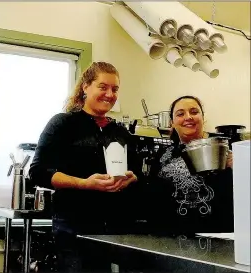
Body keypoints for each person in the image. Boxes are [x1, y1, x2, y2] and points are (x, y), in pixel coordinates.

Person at [29, 62, 142, 272]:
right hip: (73, 226)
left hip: (113, 228)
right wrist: (84, 184)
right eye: (103, 87)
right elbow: (37, 172)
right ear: (85, 87)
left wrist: (130, 179)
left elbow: (137, 174)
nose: (109, 94)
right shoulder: (63, 124)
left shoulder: (120, 132)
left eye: (115, 89)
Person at [147, 95, 234, 235]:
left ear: (203, 118)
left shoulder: (222, 150)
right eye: (180, 114)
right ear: (172, 123)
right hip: (172, 237)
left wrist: (241, 168)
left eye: (194, 112)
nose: (188, 117)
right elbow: (153, 199)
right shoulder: (162, 156)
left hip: (218, 235)